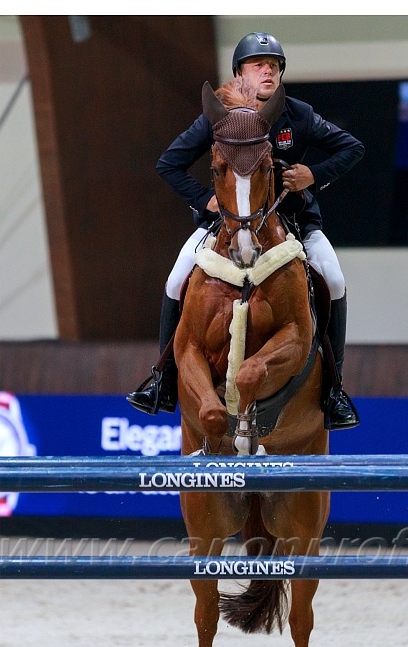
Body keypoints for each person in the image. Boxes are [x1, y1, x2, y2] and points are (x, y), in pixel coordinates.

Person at [127, 32, 365, 429]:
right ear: (240, 74)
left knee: (335, 281)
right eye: (258, 64)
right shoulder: (218, 118)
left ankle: (334, 389)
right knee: (173, 281)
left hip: (293, 226)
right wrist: (206, 199)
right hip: (225, 229)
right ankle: (163, 381)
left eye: (274, 64)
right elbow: (168, 164)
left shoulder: (297, 114)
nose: (268, 69)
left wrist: (314, 175)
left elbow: (352, 147)